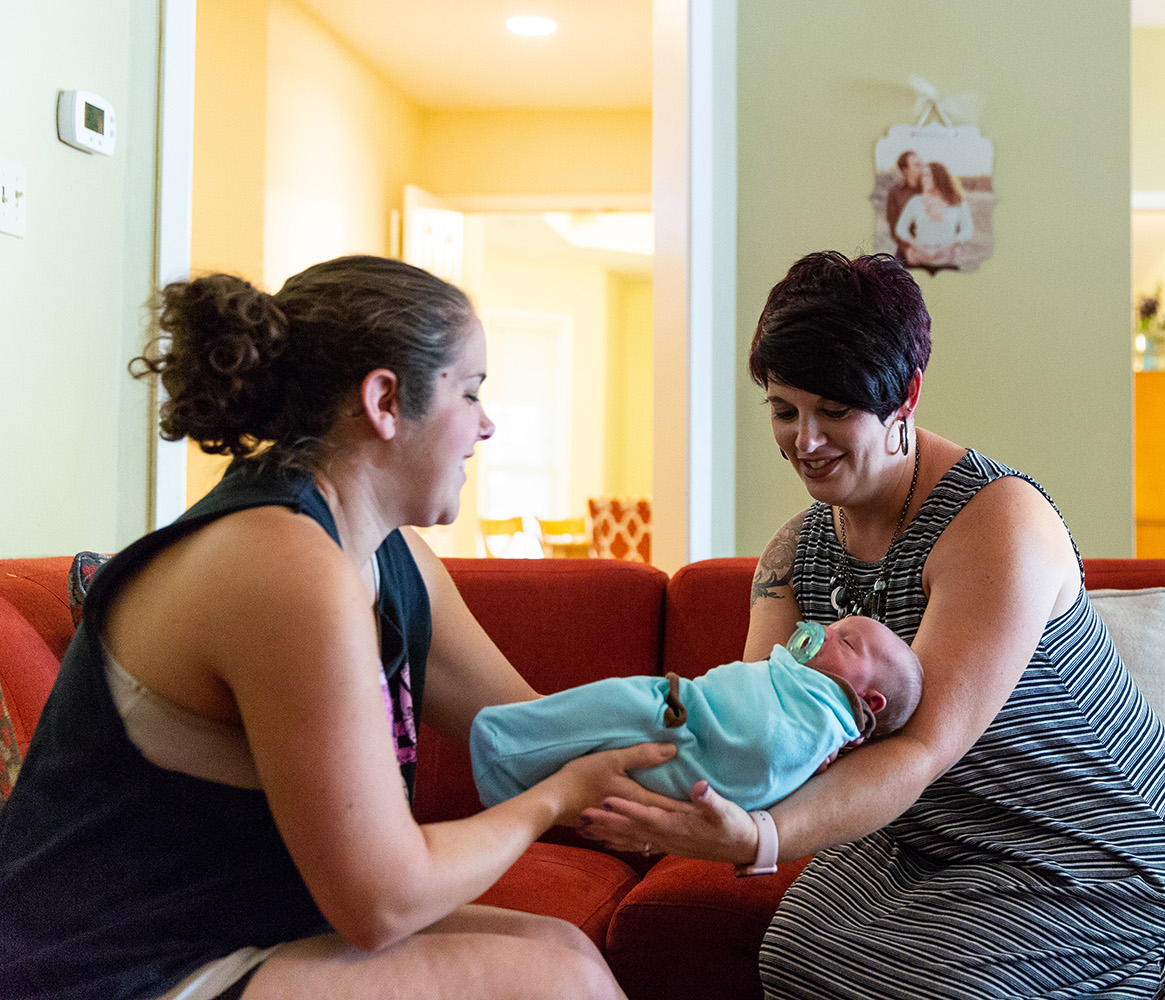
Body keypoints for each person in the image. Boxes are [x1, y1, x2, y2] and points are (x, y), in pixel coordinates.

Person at [0, 256, 675, 1000]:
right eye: (471, 391)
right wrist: (556, 798)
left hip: (236, 929)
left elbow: (530, 736)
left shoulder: (395, 559)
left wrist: (721, 749)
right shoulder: (280, 562)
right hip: (105, 969)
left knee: (563, 949)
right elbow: (382, 902)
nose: (487, 424)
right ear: (386, 399)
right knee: (549, 982)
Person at [578, 251, 1165, 999]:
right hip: (925, 836)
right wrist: (644, 779)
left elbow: (920, 748)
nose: (804, 442)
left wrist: (761, 838)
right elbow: (755, 722)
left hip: (1092, 844)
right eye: (784, 411)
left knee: (922, 985)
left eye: (835, 411)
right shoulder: (794, 552)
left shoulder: (996, 522)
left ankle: (1139, 969)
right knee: (793, 957)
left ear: (906, 395)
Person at [471, 616, 923, 812]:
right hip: (692, 717)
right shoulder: (812, 698)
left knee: (603, 713)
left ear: (872, 702)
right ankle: (508, 758)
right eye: (834, 627)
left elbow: (770, 747)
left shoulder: (824, 717)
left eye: (844, 642)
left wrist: (696, 709)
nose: (823, 633)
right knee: (594, 720)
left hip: (696, 732)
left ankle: (501, 747)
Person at [893, 160, 974, 271]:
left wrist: (954, 244)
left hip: (946, 259)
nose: (923, 179)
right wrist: (913, 244)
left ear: (939, 177)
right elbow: (900, 228)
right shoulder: (916, 201)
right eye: (923, 175)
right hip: (920, 259)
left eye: (927, 175)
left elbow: (967, 229)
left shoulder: (957, 202)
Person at [884, 150, 924, 263]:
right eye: (916, 165)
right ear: (905, 170)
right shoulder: (895, 193)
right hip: (906, 250)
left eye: (921, 163)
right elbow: (894, 227)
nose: (921, 167)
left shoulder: (931, 189)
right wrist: (907, 250)